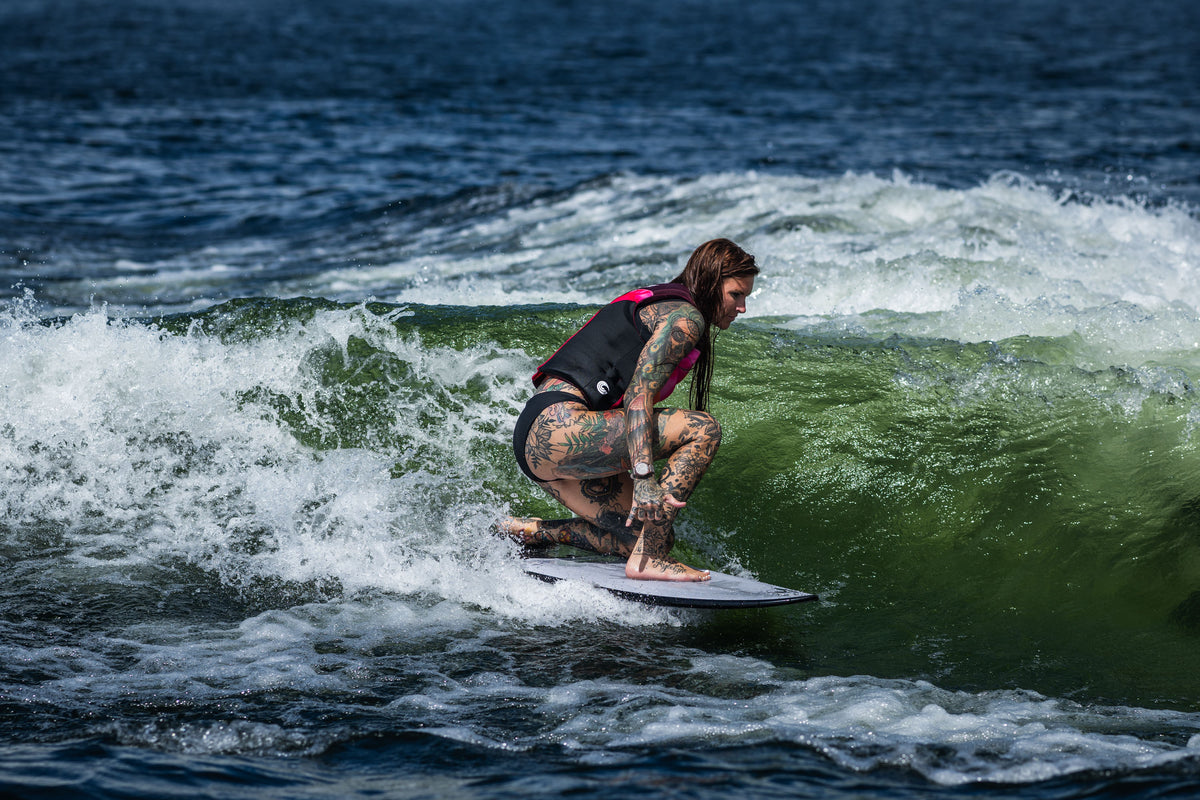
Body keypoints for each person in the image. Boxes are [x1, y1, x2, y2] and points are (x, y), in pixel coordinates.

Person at [503, 238, 759, 581]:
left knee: (646, 537)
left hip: (537, 440)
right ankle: (651, 560)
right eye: (736, 295)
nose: (741, 308)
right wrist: (643, 477)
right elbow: (639, 396)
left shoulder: (666, 302)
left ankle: (533, 531)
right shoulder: (686, 319)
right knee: (704, 429)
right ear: (713, 283)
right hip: (560, 424)